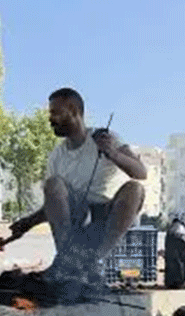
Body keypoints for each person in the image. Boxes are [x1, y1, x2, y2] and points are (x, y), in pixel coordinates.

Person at [9, 87, 147, 288]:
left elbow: (141, 173)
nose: (50, 119)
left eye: (55, 113)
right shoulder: (56, 156)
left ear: (73, 111)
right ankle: (67, 260)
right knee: (53, 184)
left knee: (135, 189)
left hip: (106, 222)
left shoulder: (107, 139)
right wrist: (27, 224)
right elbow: (54, 204)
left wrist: (113, 154)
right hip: (76, 225)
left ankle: (97, 262)